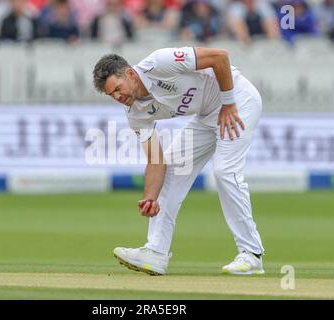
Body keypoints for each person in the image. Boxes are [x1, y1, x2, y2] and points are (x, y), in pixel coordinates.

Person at [92, 46, 265, 275]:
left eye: (117, 88)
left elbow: (219, 57)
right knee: (173, 170)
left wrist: (228, 103)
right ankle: (156, 253)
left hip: (237, 101)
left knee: (224, 171)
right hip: (205, 116)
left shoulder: (159, 63)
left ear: (131, 74)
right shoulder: (135, 114)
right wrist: (150, 198)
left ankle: (252, 254)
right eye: (110, 95)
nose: (117, 97)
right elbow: (156, 159)